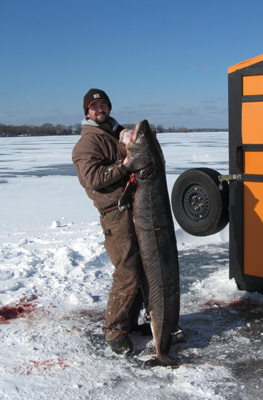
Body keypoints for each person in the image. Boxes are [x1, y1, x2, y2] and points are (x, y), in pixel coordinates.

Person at [72, 89, 149, 355]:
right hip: (114, 213)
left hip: (135, 207)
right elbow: (92, 178)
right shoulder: (87, 143)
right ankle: (114, 329)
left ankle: (131, 321)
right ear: (87, 113)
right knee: (127, 271)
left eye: (103, 104)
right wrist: (125, 166)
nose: (100, 109)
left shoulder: (115, 132)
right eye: (95, 107)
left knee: (141, 266)